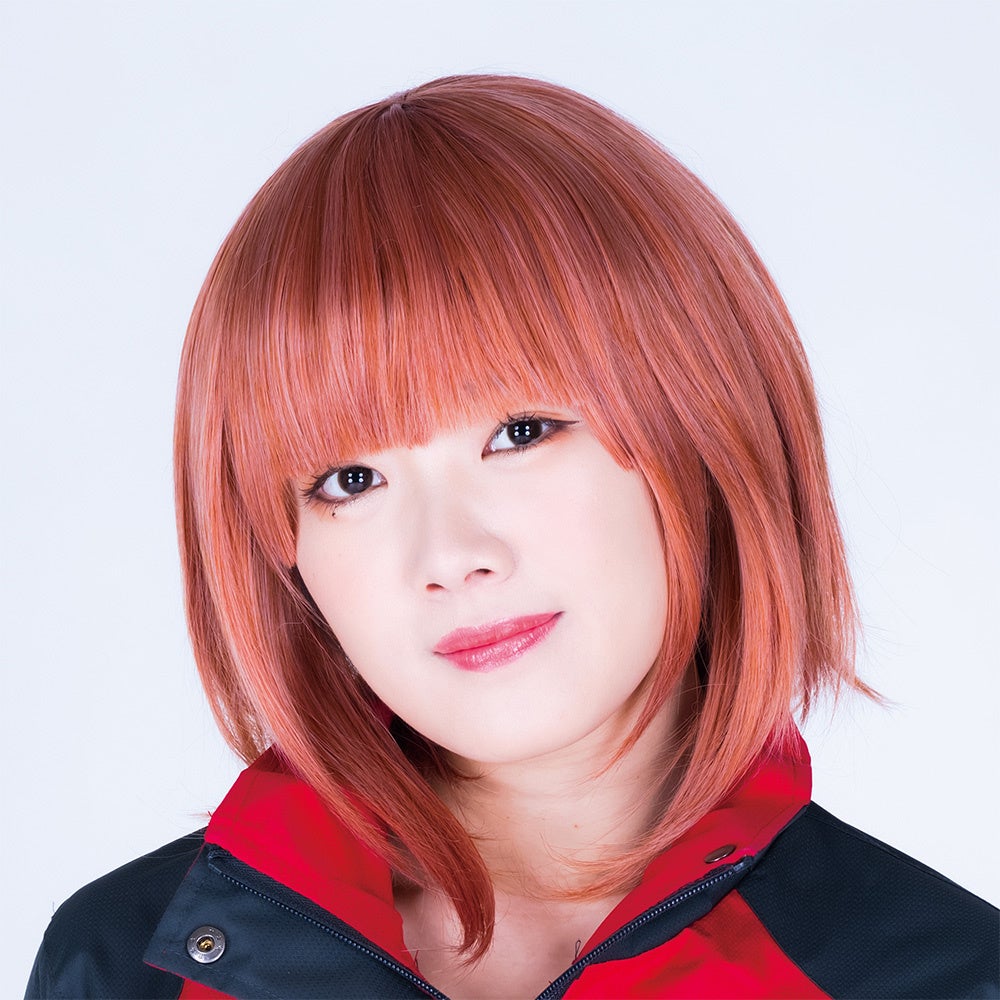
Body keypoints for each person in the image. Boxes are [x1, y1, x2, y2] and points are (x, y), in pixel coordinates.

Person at [26, 74, 998, 1000]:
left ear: (703, 426)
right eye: (350, 480)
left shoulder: (946, 978)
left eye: (521, 432)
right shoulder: (126, 966)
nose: (449, 556)